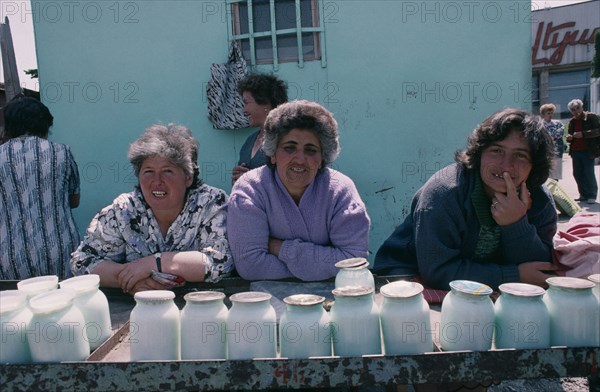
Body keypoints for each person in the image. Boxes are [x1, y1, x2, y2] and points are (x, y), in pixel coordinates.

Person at [374, 108, 558, 290]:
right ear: (479, 153)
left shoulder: (540, 200)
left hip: (482, 283)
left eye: (520, 155)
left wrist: (516, 224)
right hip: (406, 277)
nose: (506, 166)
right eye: (496, 150)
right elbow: (437, 271)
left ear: (535, 165)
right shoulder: (444, 193)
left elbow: (539, 270)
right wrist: (513, 275)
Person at [71, 124, 232, 294]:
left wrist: (154, 263)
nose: (157, 181)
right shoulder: (124, 210)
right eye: (148, 171)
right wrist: (131, 279)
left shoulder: (211, 203)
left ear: (188, 178)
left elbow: (221, 262)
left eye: (167, 171)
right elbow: (82, 262)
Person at [227, 100, 370, 281]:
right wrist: (320, 267)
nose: (300, 159)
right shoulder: (250, 189)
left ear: (322, 159)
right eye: (289, 148)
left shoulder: (340, 190)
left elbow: (353, 262)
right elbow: (250, 266)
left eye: (311, 150)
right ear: (272, 154)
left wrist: (279, 248)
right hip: (265, 302)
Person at [0, 96, 81, 280]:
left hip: (10, 254)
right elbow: (74, 200)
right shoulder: (62, 152)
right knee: (63, 303)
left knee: (18, 304)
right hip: (60, 249)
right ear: (45, 125)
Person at [231, 73, 288, 184]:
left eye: (246, 103)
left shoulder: (285, 140)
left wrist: (251, 180)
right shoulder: (250, 141)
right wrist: (237, 179)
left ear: (265, 103)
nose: (244, 110)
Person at [566, 99, 599, 204]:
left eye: (577, 108)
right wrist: (569, 137)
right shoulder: (572, 121)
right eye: (573, 110)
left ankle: (592, 195)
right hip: (575, 151)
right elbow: (570, 135)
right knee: (577, 173)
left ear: (581, 107)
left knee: (589, 173)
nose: (576, 111)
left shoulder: (591, 117)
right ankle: (583, 194)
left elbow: (598, 131)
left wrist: (583, 134)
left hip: (588, 150)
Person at [540, 103, 564, 180]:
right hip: (545, 151)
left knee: (556, 173)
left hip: (556, 151)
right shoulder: (540, 125)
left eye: (552, 113)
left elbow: (560, 133)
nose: (551, 115)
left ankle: (555, 189)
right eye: (548, 113)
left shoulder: (558, 123)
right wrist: (550, 136)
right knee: (545, 171)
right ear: (543, 114)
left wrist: (548, 136)